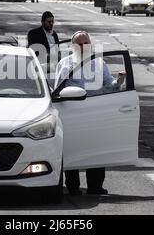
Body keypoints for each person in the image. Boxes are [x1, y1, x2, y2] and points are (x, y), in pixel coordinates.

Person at [54, 31, 126, 196]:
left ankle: (95, 186)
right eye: (79, 44)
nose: (82, 46)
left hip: (95, 112)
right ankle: (73, 187)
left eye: (85, 43)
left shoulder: (99, 63)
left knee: (96, 150)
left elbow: (109, 85)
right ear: (73, 46)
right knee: (72, 149)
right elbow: (58, 89)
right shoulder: (65, 64)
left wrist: (119, 81)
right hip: (73, 113)